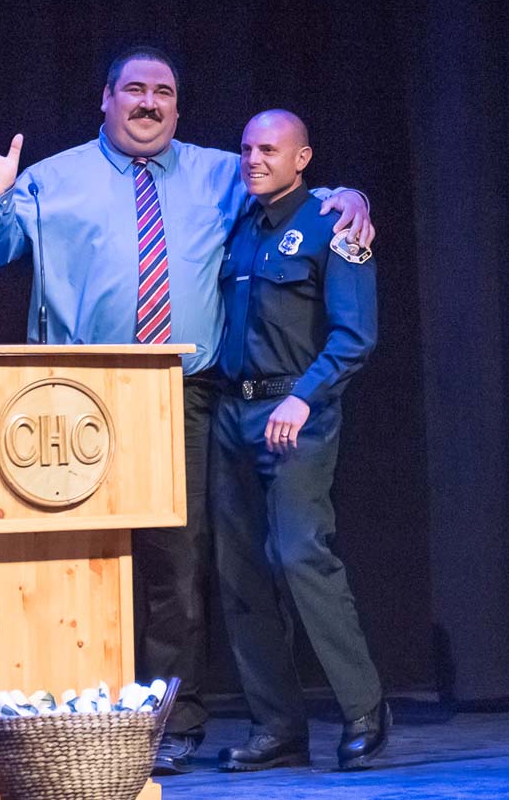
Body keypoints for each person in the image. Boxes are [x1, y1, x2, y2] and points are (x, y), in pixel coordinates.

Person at [0, 48, 374, 774]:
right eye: (134, 90)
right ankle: (64, 720)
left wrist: (353, 195)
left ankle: (170, 722)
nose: (149, 103)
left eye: (164, 93)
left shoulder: (221, 172)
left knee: (179, 564)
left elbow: (296, 191)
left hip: (185, 391)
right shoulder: (53, 178)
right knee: (73, 558)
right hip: (77, 394)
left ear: (178, 108)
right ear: (106, 100)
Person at [210, 109, 389, 773]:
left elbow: (354, 336)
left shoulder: (335, 224)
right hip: (233, 410)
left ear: (302, 157)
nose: (253, 158)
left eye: (268, 148)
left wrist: (301, 395)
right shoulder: (241, 226)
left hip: (297, 409)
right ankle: (277, 725)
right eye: (246, 147)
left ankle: (365, 707)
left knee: (297, 554)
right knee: (239, 571)